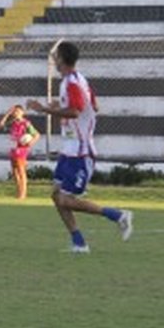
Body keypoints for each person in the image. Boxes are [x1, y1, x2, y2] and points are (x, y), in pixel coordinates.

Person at [26, 41, 133, 253]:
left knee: (67, 199)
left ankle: (118, 215)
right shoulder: (76, 80)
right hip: (69, 149)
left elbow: (75, 111)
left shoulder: (72, 82)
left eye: (56, 56)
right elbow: (93, 106)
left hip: (81, 151)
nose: (54, 60)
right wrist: (56, 106)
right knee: (57, 196)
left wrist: (46, 110)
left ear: (63, 59)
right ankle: (79, 243)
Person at [0, 104, 38, 200]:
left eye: (18, 111)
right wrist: (7, 114)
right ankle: (19, 192)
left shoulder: (26, 123)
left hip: (22, 149)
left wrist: (30, 143)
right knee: (15, 171)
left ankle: (23, 194)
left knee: (21, 170)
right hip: (13, 149)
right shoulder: (13, 123)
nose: (16, 113)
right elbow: (0, 125)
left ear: (22, 113)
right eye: (15, 112)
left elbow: (36, 135)